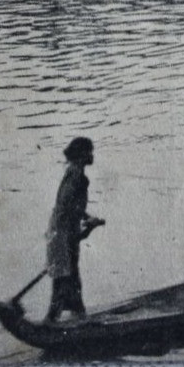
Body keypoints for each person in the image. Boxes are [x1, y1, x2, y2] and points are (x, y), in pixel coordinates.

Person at [46, 137, 104, 323]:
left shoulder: (72, 173)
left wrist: (88, 219)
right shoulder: (77, 177)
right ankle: (52, 321)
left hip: (59, 232)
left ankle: (78, 317)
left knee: (70, 278)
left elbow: (70, 207)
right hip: (63, 235)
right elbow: (68, 209)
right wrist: (85, 229)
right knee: (64, 281)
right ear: (81, 156)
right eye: (89, 152)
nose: (92, 156)